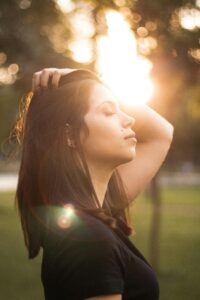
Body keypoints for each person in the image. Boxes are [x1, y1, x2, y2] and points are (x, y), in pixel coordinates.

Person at [14, 67, 174, 300]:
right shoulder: (88, 239)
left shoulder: (98, 209)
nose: (129, 119)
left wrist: (84, 77)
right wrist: (86, 80)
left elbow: (163, 133)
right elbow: (162, 133)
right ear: (69, 135)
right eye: (108, 112)